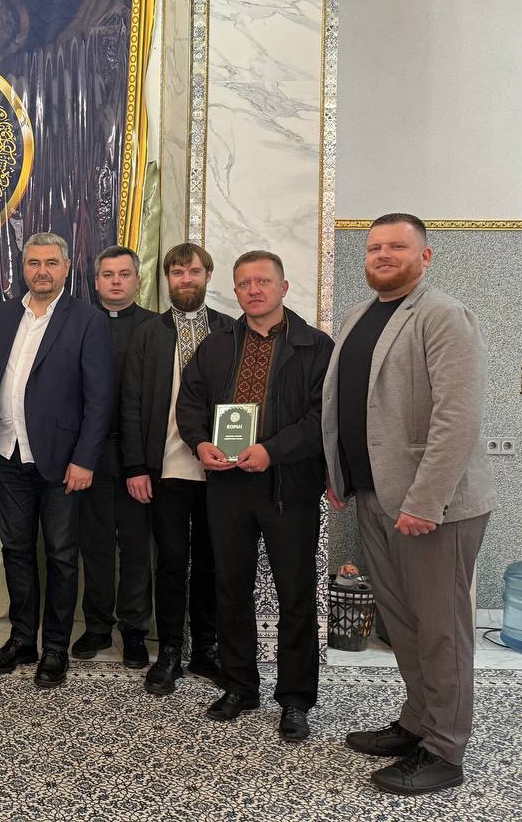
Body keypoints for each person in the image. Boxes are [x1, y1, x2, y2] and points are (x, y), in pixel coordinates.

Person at [322, 213, 494, 794]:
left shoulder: (443, 315)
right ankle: (417, 722)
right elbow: (347, 405)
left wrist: (426, 501)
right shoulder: (360, 315)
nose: (382, 255)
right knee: (403, 623)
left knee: (440, 630)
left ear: (426, 256)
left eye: (397, 246)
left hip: (432, 507)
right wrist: (340, 473)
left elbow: (457, 417)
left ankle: (444, 750)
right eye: (374, 247)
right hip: (376, 497)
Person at [176, 250, 333, 742]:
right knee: (230, 589)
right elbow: (190, 401)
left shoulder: (315, 346)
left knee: (295, 594)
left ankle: (295, 699)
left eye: (263, 281)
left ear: (283, 287)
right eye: (244, 283)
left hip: (289, 487)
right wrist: (199, 442)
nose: (253, 290)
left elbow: (322, 418)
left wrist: (272, 451)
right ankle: (240, 685)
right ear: (235, 291)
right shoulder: (217, 344)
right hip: (228, 486)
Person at [0, 232, 112, 688]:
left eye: (51, 263)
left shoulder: (88, 320)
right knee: (16, 550)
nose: (42, 271)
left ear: (67, 267)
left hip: (61, 461)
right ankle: (22, 639)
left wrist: (85, 459)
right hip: (7, 452)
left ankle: (55, 647)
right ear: (23, 268)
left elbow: (99, 399)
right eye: (34, 263)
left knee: (60, 555)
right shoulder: (5, 314)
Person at [120, 242, 230, 696]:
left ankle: (205, 649)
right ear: (166, 279)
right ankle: (168, 652)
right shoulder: (149, 332)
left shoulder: (230, 330)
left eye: (194, 272)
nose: (186, 280)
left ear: (208, 276)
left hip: (220, 471)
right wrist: (135, 466)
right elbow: (130, 403)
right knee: (169, 563)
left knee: (211, 563)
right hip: (165, 468)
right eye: (177, 273)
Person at [72, 246, 155, 668]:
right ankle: (98, 626)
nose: (116, 281)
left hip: (138, 454)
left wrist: (142, 461)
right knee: (96, 544)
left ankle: (135, 629)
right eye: (108, 274)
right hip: (90, 452)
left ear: (138, 280)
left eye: (124, 274)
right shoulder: (78, 324)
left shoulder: (155, 328)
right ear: (96, 281)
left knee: (137, 545)